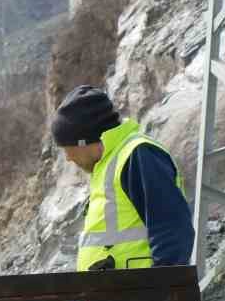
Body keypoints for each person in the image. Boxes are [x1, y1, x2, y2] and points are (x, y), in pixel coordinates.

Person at [52, 85, 193, 272]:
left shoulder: (138, 155)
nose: (68, 158)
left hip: (140, 296)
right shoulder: (109, 163)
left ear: (83, 141)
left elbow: (172, 228)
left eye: (67, 149)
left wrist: (160, 291)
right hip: (117, 295)